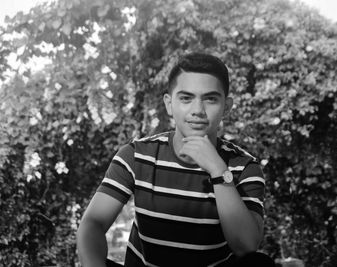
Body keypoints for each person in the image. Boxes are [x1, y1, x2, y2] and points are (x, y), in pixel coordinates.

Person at [77, 53, 275, 267]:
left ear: (226, 107)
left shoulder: (244, 167)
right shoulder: (136, 155)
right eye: (186, 98)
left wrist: (219, 171)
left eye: (210, 99)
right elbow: (93, 223)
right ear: (169, 104)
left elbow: (246, 247)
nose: (197, 111)